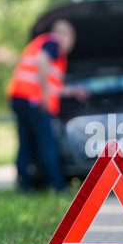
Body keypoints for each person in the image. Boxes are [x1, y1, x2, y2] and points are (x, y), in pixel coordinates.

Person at [7, 19, 89, 192]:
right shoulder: (53, 42)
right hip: (34, 101)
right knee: (47, 143)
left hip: (20, 98)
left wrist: (74, 91)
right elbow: (42, 61)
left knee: (26, 143)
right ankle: (57, 185)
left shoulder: (43, 43)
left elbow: (55, 87)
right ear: (67, 36)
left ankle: (26, 186)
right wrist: (44, 96)